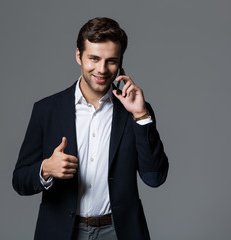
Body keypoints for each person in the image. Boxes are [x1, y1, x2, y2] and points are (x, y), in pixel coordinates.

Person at [12, 17, 169, 240]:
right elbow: (19, 181)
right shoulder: (46, 110)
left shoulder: (136, 111)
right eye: (94, 58)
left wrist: (140, 116)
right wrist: (45, 168)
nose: (102, 69)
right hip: (62, 232)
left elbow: (155, 178)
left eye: (111, 61)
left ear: (120, 61)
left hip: (119, 232)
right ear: (79, 56)